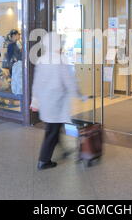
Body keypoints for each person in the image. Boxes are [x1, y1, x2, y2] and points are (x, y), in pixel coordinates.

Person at [31, 32, 84, 170]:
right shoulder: (60, 60)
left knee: (54, 128)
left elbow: (36, 83)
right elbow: (69, 81)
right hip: (57, 102)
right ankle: (44, 161)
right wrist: (80, 95)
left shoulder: (42, 59)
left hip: (46, 102)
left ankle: (64, 149)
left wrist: (35, 101)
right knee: (52, 131)